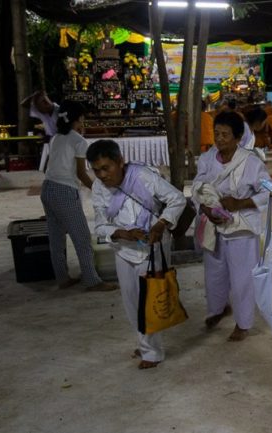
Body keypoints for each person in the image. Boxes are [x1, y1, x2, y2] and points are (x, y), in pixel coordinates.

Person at [87, 139, 186, 369]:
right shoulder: (99, 188)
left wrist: (160, 225)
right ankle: (145, 341)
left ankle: (152, 352)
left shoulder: (143, 176)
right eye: (96, 170)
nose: (102, 175)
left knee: (147, 299)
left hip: (152, 247)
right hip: (123, 249)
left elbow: (177, 199)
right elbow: (100, 225)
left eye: (106, 168)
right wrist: (122, 232)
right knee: (131, 301)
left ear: (120, 162)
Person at [192, 111, 271, 342]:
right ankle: (218, 309)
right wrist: (206, 208)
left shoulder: (253, 162)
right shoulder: (207, 159)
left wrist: (241, 203)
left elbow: (270, 191)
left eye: (226, 135)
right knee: (214, 273)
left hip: (241, 227)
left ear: (238, 138)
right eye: (217, 134)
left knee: (242, 277)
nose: (220, 139)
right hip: (213, 225)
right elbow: (198, 185)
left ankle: (243, 323)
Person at [40, 101, 116, 292]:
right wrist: (99, 191)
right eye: (83, 117)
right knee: (82, 237)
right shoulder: (78, 141)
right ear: (78, 118)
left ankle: (62, 278)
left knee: (56, 238)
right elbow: (82, 174)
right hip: (64, 191)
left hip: (47, 189)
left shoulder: (56, 137)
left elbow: (49, 165)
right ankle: (92, 281)